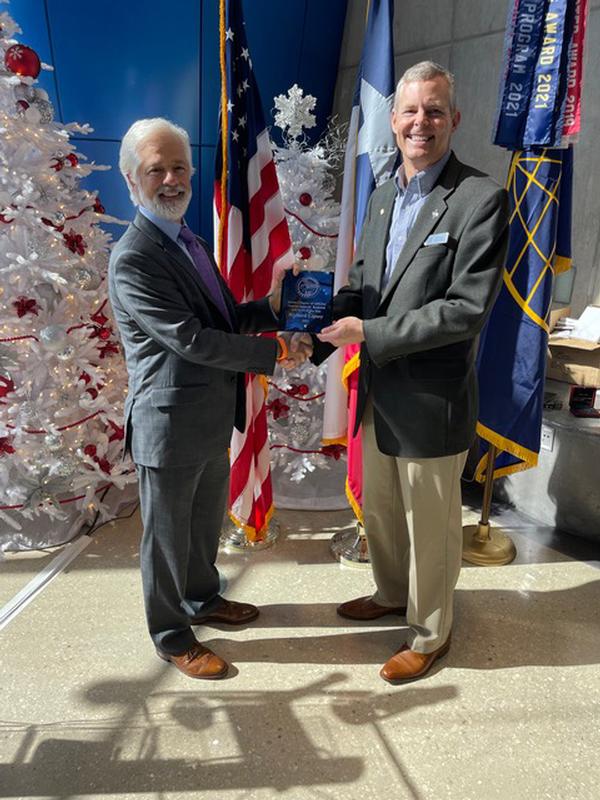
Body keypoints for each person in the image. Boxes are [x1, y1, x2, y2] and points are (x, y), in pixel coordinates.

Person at [315, 62, 510, 683]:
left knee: (430, 525)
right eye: (409, 111)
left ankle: (430, 633)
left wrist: (368, 333)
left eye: (433, 111)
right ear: (393, 120)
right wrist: (310, 320)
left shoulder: (481, 199)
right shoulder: (380, 195)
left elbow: (464, 310)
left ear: (454, 120)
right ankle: (392, 594)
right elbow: (361, 286)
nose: (419, 122)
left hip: (431, 397)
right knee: (380, 509)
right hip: (376, 390)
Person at [108, 117, 303, 680]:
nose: (171, 179)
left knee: (200, 525)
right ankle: (171, 634)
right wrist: (275, 356)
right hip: (167, 426)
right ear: (130, 179)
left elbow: (218, 319)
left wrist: (268, 308)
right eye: (155, 170)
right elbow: (189, 340)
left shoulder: (187, 240)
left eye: (179, 167)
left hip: (210, 417)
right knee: (166, 539)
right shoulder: (136, 257)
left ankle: (201, 598)